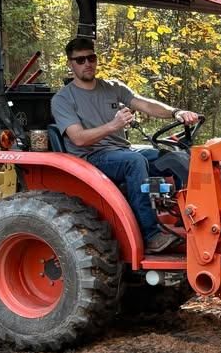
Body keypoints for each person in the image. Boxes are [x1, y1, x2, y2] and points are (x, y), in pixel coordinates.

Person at [50, 37, 199, 253]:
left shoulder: (112, 87)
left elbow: (146, 104)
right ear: (70, 64)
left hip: (122, 151)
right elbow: (79, 138)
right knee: (134, 161)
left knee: (175, 158)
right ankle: (151, 235)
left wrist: (176, 112)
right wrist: (113, 125)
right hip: (90, 158)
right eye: (80, 60)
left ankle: (188, 223)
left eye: (91, 58)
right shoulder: (63, 99)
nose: (87, 64)